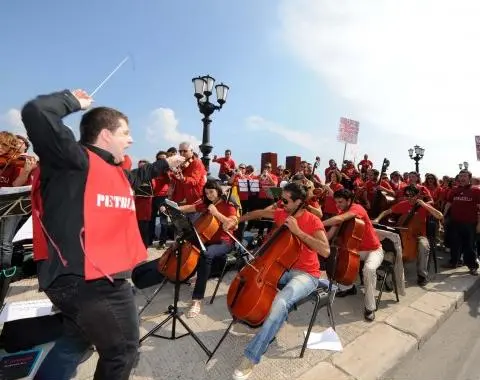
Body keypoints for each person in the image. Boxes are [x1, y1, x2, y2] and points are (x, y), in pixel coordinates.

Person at [21, 89, 174, 380]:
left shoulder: (106, 169)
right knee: (124, 352)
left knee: (75, 342)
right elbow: (37, 113)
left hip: (81, 281)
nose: (131, 140)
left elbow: (136, 177)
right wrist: (72, 100)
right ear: (105, 135)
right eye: (125, 133)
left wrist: (166, 164)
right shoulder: (74, 159)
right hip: (89, 282)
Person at [227, 182, 330, 380]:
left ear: (299, 202)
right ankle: (255, 322)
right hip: (282, 267)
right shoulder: (283, 213)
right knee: (251, 278)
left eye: (285, 200)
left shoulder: (312, 221)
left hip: (307, 274)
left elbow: (325, 250)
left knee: (281, 301)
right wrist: (237, 219)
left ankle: (252, 356)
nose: (280, 203)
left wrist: (298, 232)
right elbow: (258, 214)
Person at [178, 180, 238, 318]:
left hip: (224, 242)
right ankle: (188, 273)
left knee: (206, 254)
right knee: (185, 242)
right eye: (206, 193)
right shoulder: (207, 204)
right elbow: (191, 208)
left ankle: (197, 300)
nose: (209, 195)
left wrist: (216, 213)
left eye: (211, 192)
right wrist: (173, 207)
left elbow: (233, 225)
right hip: (206, 239)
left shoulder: (229, 204)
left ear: (218, 191)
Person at [323, 188, 383, 322]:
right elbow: (329, 234)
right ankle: (348, 287)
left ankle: (370, 308)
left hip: (374, 250)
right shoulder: (342, 211)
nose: (338, 205)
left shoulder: (357, 208)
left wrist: (319, 224)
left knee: (369, 270)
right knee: (337, 257)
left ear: (349, 201)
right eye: (336, 202)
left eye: (340, 202)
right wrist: (316, 239)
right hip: (356, 250)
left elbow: (340, 218)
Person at [373, 185, 444, 286]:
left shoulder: (423, 206)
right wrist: (377, 219)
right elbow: (386, 212)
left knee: (423, 246)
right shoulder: (403, 204)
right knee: (391, 244)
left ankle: (422, 275)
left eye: (412, 195)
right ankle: (387, 271)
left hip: (419, 235)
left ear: (417, 195)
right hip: (404, 233)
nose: (409, 198)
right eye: (407, 196)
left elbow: (439, 215)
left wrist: (424, 204)